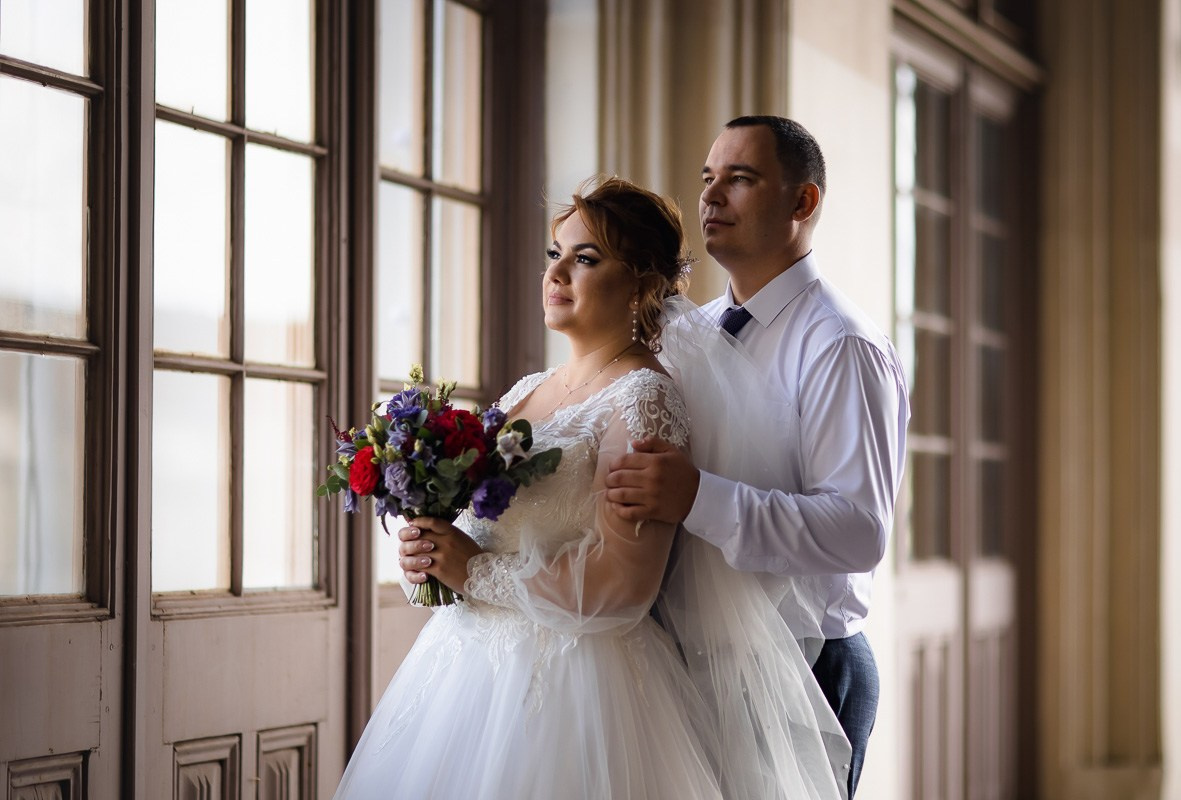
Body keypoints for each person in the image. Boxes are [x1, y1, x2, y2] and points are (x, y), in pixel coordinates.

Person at [334, 176, 847, 800]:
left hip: (578, 690)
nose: (556, 274)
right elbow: (483, 533)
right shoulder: (526, 390)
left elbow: (624, 586)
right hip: (464, 672)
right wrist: (430, 553)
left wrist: (474, 573)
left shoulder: (645, 400)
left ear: (640, 286)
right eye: (556, 254)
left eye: (586, 259)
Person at [605, 116, 910, 799]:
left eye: (740, 179)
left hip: (806, 668)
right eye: (708, 178)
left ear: (803, 202)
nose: (711, 197)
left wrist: (697, 497)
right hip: (682, 663)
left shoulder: (840, 345)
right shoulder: (687, 335)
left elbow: (858, 530)